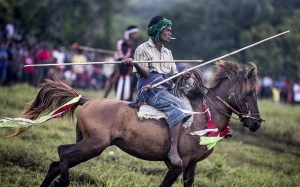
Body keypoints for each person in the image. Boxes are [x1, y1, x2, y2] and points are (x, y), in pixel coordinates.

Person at [122, 15, 191, 167]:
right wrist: (134, 64)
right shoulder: (142, 49)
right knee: (180, 108)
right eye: (168, 30)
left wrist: (183, 75)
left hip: (166, 90)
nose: (170, 33)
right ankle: (172, 150)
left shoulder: (168, 53)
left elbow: (173, 78)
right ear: (159, 31)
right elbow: (145, 73)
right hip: (151, 90)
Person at [103, 25, 139, 101]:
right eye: (134, 33)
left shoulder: (136, 44)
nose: (136, 35)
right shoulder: (121, 43)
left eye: (136, 33)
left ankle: (139, 101)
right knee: (110, 80)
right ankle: (103, 98)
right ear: (129, 34)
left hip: (132, 68)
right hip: (121, 67)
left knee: (139, 83)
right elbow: (119, 56)